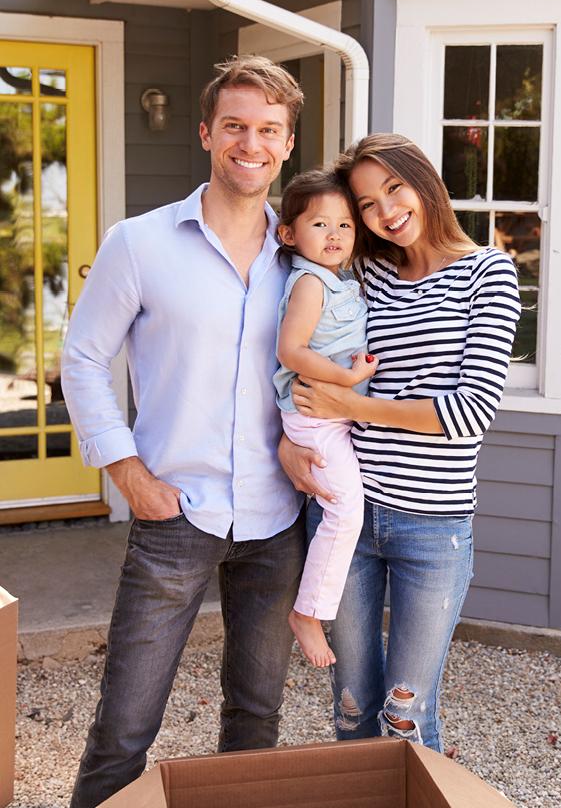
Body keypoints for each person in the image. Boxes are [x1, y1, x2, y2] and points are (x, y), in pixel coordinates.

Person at [61, 56, 307, 807]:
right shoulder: (140, 243)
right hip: (175, 514)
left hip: (276, 518)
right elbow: (81, 355)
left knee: (256, 717)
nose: (251, 143)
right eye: (235, 125)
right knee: (126, 725)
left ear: (288, 143)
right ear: (207, 132)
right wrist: (124, 468)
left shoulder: (305, 256)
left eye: (269, 129)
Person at [279, 133, 520, 754]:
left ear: (423, 180)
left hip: (433, 527)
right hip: (344, 514)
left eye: (393, 189)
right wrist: (287, 445)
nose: (384, 212)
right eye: (365, 204)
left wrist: (352, 405)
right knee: (351, 707)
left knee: (406, 713)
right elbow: (289, 341)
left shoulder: (488, 273)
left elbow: (470, 412)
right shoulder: (365, 273)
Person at [273, 168, 378, 668]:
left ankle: (312, 609)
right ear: (289, 234)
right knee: (344, 509)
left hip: (330, 414)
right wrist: (346, 381)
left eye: (345, 225)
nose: (335, 235)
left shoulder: (343, 280)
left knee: (341, 506)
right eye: (320, 225)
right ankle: (308, 613)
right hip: (316, 415)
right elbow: (291, 351)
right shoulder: (311, 283)